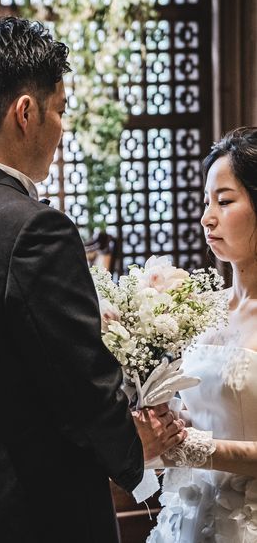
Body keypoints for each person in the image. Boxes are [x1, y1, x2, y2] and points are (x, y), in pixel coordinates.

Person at [0, 16, 184, 543]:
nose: (61, 128)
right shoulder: (35, 229)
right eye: (59, 110)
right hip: (36, 517)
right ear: (25, 113)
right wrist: (133, 446)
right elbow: (77, 381)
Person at [148, 126, 257, 542]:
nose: (207, 217)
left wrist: (198, 449)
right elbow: (204, 410)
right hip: (193, 513)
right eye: (205, 202)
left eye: (224, 201)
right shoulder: (205, 308)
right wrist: (167, 423)